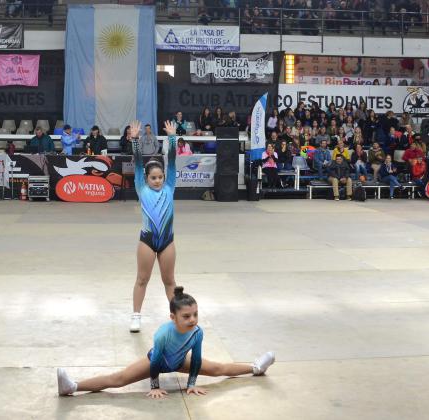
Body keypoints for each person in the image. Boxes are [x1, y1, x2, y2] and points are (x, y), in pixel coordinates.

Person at [57, 287, 275, 397]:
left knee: (219, 368)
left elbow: (197, 358)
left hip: (180, 360)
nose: (193, 320)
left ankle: (255, 367)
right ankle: (72, 386)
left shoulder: (197, 332)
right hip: (158, 361)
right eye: (186, 316)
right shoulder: (163, 333)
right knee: (119, 379)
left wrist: (190, 385)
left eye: (195, 314)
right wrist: (155, 386)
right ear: (173, 318)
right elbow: (156, 361)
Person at [129, 120, 178, 333]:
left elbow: (173, 160)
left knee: (169, 280)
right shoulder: (141, 187)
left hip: (167, 241)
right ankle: (136, 316)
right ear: (146, 179)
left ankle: (178, 316)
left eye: (160, 177)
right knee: (142, 279)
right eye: (153, 178)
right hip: (147, 240)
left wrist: (172, 138)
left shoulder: (170, 187)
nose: (157, 181)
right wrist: (135, 140)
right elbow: (138, 162)